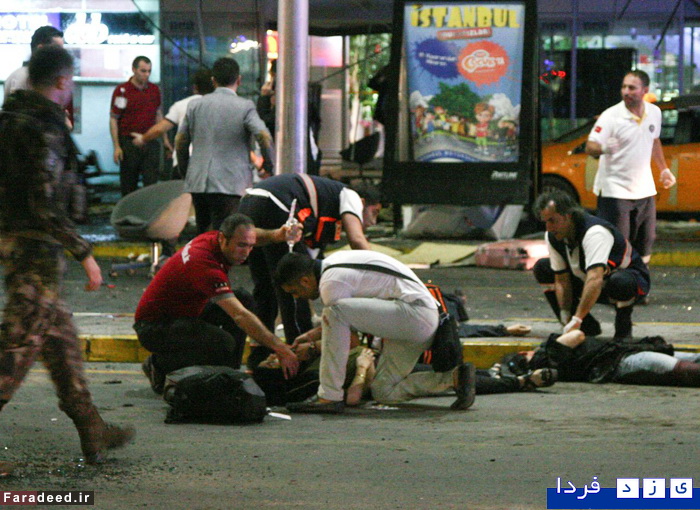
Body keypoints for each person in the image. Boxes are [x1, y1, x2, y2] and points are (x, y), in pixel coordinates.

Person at [0, 46, 134, 465]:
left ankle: (92, 426)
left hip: (18, 241)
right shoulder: (43, 127)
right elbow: (43, 201)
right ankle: (92, 427)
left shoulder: (11, 119)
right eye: (71, 81)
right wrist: (84, 253)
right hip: (36, 248)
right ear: (62, 81)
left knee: (59, 339)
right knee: (17, 346)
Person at [274, 251, 476, 414]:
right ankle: (454, 379)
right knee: (383, 391)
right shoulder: (335, 262)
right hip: (416, 319)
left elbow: (350, 338)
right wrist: (311, 336)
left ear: (305, 281)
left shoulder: (330, 284)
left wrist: (311, 347)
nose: (297, 297)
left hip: (413, 315)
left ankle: (329, 395)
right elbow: (348, 321)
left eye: (294, 292)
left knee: (333, 312)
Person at [134, 214, 300, 394]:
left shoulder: (214, 238)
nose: (246, 253)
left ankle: (230, 375)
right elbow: (239, 315)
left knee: (243, 299)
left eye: (250, 246)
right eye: (241, 246)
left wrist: (277, 235)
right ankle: (159, 366)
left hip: (184, 312)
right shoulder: (204, 263)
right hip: (154, 327)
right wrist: (280, 347)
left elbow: (252, 236)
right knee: (223, 342)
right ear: (223, 239)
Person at [237, 175, 382, 368]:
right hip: (275, 204)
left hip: (248, 203)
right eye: (374, 212)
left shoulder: (323, 210)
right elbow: (356, 239)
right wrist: (380, 271)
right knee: (294, 286)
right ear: (363, 203)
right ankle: (299, 356)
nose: (373, 221)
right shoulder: (351, 195)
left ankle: (258, 355)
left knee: (265, 289)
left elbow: (308, 258)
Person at [585, 69, 676, 265]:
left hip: (644, 190)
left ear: (645, 90)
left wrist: (664, 169)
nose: (626, 91)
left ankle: (640, 281)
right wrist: (603, 148)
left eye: (632, 88)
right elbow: (590, 147)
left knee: (646, 242)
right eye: (624, 87)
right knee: (618, 246)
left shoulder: (654, 112)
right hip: (615, 192)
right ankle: (616, 282)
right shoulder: (611, 116)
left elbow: (654, 141)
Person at [532, 191, 650, 340]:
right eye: (545, 222)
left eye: (552, 221)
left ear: (568, 216)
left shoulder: (595, 232)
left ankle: (623, 329)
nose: (548, 227)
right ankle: (586, 327)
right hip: (589, 280)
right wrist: (565, 314)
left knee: (620, 282)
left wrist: (577, 318)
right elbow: (562, 279)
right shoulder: (553, 236)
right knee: (543, 268)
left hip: (628, 282)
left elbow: (595, 279)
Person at [176, 57, 273, 234]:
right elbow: (263, 136)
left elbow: (180, 141)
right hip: (231, 184)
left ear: (213, 81)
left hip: (198, 182)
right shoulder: (245, 106)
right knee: (226, 235)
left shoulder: (195, 105)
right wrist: (268, 164)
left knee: (203, 234)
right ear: (239, 80)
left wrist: (186, 170)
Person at [508, 330, 700, 388]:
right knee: (684, 368)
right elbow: (577, 335)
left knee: (686, 364)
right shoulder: (546, 353)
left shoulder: (549, 365)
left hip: (621, 358)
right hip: (622, 360)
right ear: (525, 355)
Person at [131, 67, 215, 177]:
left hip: (185, 164)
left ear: (195, 87)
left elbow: (160, 129)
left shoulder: (182, 105)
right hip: (214, 164)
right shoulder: (223, 106)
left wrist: (142, 138)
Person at [110, 56, 164, 196]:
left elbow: (158, 115)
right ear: (133, 70)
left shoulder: (154, 90)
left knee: (151, 184)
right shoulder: (122, 90)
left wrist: (165, 140)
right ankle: (128, 209)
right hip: (129, 142)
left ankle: (149, 209)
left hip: (150, 141)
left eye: (149, 71)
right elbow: (114, 119)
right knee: (129, 184)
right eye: (143, 71)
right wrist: (117, 146)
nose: (146, 74)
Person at [3, 26, 64, 97]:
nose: (62, 54)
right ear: (40, 49)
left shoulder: (47, 77)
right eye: (57, 49)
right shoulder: (23, 78)